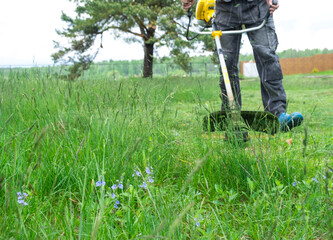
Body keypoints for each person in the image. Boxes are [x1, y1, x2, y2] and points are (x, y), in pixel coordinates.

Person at [181, 0, 303, 131]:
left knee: (267, 56)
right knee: (226, 63)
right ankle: (230, 115)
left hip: (258, 7)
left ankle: (278, 115)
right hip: (225, 9)